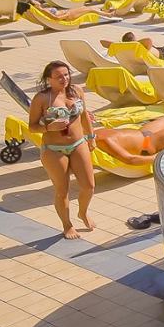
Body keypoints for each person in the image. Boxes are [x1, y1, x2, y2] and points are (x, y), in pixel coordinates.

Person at [28, 60, 95, 238]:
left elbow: (85, 116)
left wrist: (91, 137)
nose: (64, 79)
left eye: (66, 75)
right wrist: (50, 128)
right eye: (59, 76)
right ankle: (67, 225)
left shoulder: (76, 91)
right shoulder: (42, 99)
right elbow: (32, 126)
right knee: (61, 190)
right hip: (54, 149)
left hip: (78, 143)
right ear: (48, 79)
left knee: (89, 186)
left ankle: (83, 212)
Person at [93, 119, 164, 166]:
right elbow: (131, 160)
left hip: (144, 134)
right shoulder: (104, 140)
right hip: (148, 144)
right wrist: (160, 157)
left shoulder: (92, 132)